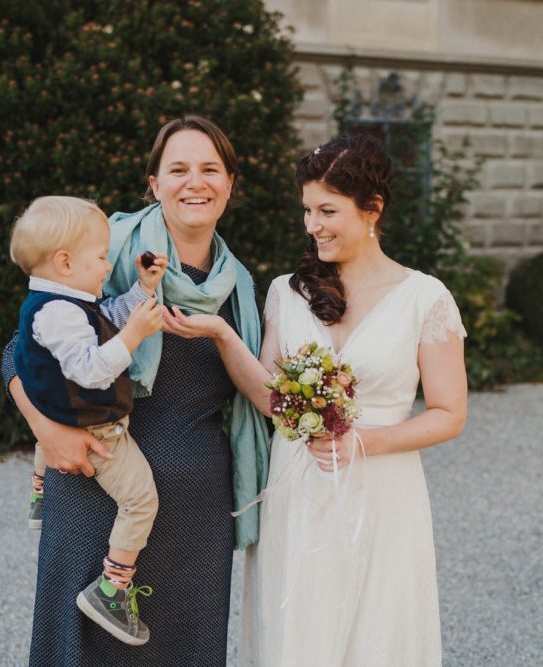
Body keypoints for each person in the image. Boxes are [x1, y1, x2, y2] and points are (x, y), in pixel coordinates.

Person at [162, 133, 468, 665]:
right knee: (295, 625)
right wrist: (222, 335)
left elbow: (449, 414)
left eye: (327, 210)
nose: (312, 225)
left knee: (380, 624)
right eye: (307, 210)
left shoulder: (425, 297)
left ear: (371, 210)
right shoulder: (288, 290)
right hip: (297, 485)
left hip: (383, 490)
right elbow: (269, 397)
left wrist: (363, 442)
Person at [1, 116, 270, 665]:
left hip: (197, 510)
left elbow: (257, 396)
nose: (195, 182)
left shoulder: (240, 288)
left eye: (210, 169)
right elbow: (19, 350)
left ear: (230, 185)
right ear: (154, 182)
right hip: (95, 486)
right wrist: (47, 432)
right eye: (178, 169)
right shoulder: (106, 249)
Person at [9, 195, 168, 645]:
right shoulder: (58, 313)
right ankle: (111, 589)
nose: (106, 265)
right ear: (64, 261)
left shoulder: (65, 300)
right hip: (98, 432)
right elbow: (92, 369)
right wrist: (136, 335)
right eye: (100, 257)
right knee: (141, 500)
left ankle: (41, 493)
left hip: (61, 412)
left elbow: (109, 319)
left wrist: (143, 289)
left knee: (51, 404)